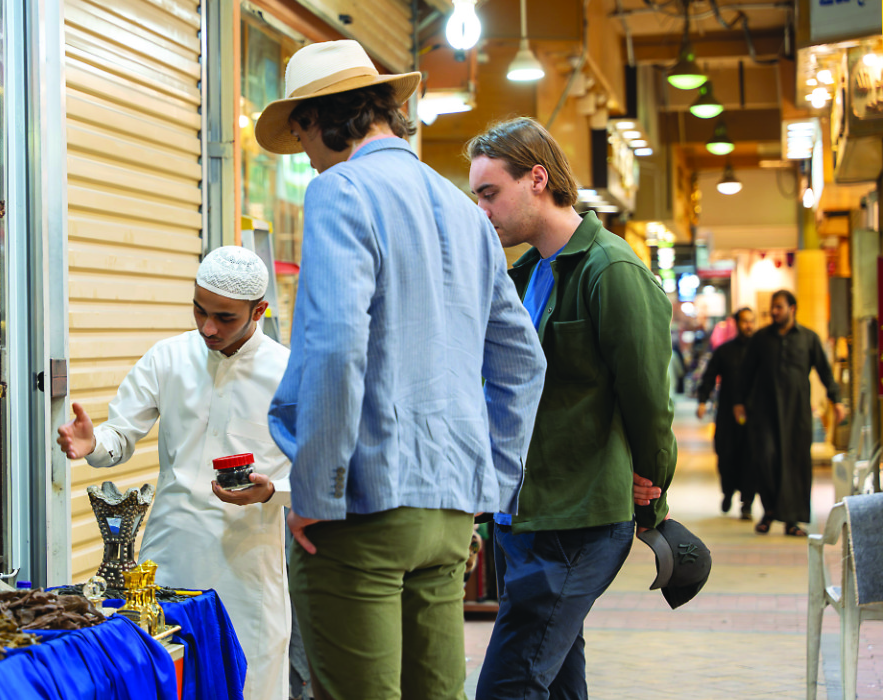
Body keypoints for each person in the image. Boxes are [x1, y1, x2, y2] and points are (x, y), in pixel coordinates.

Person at [254, 40, 546, 700]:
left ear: (322, 118)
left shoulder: (342, 191)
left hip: (361, 513)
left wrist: (317, 492)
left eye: (301, 133)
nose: (305, 154)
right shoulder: (464, 212)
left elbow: (334, 350)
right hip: (450, 514)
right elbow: (524, 362)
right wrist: (492, 481)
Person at [466, 117, 677, 700]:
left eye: (490, 193)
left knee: (508, 685)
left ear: (537, 178)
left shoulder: (611, 271)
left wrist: (652, 483)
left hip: (576, 522)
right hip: (519, 516)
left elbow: (646, 400)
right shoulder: (527, 272)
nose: (482, 210)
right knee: (556, 680)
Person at [55, 246, 291, 700]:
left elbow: (318, 474)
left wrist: (271, 491)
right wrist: (92, 444)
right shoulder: (169, 357)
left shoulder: (287, 372)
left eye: (224, 317)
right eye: (200, 311)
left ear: (258, 311)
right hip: (170, 558)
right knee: (173, 682)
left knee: (250, 687)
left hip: (247, 569)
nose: (208, 328)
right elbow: (118, 437)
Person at [731, 290, 846, 537]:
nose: (774, 311)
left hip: (797, 414)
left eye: (779, 307)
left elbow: (825, 372)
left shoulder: (809, 339)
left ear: (792, 309)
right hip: (764, 412)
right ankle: (771, 510)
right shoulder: (761, 339)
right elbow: (746, 372)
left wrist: (836, 400)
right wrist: (739, 401)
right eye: (773, 307)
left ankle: (793, 520)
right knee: (766, 459)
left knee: (795, 464)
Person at [697, 307, 757, 520]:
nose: (748, 325)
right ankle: (728, 492)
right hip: (726, 415)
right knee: (726, 455)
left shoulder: (760, 351)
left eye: (752, 321)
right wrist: (702, 401)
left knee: (750, 458)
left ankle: (747, 503)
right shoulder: (724, 351)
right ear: (736, 324)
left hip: (752, 416)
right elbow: (709, 376)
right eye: (744, 321)